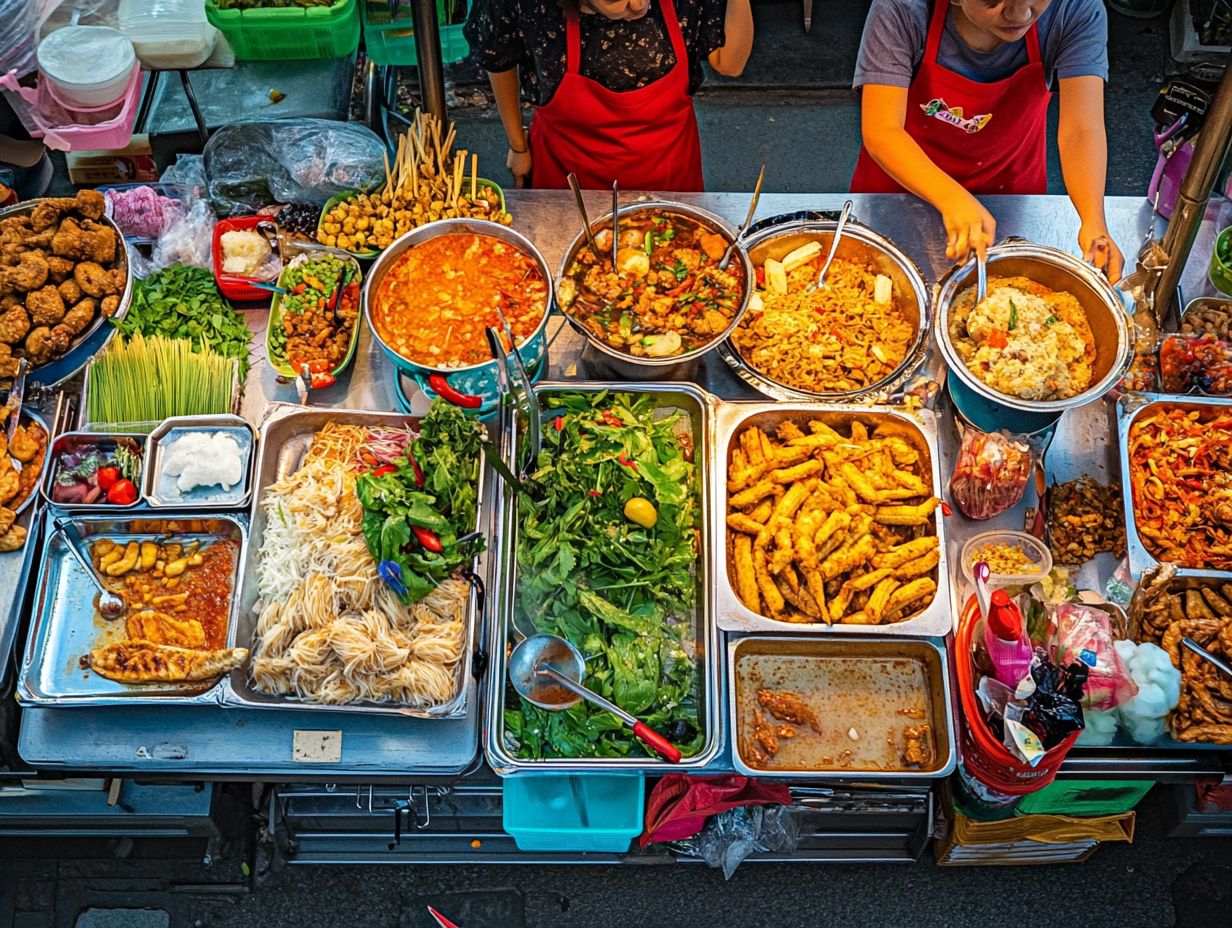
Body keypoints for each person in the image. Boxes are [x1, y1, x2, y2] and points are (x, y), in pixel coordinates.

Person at [851, 0, 1123, 282]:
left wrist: (1093, 219)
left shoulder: (1074, 9)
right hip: (901, 184)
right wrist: (951, 197)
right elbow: (883, 130)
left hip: (1008, 185)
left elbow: (1081, 127)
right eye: (992, 1)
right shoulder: (901, 8)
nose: (1019, 14)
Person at [465, 0, 753, 191]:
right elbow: (498, 57)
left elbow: (730, 63)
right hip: (566, 177)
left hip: (671, 174)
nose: (640, 5)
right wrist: (518, 146)